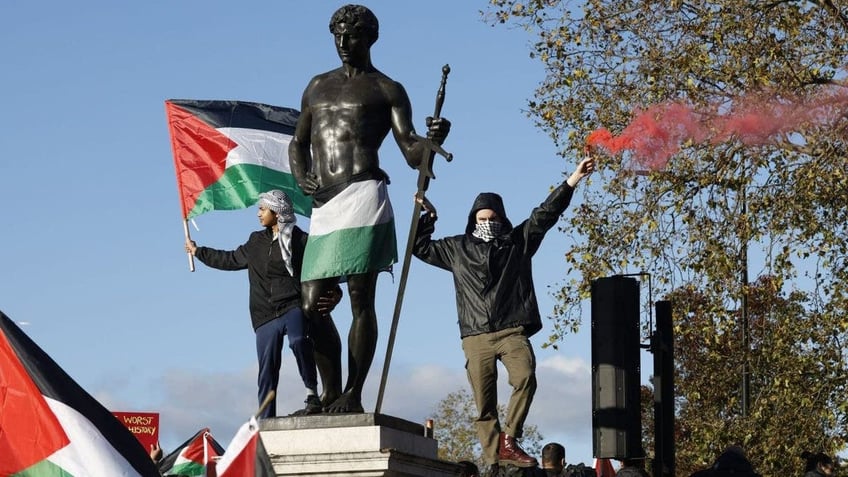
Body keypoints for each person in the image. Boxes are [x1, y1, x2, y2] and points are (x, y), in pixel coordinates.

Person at [288, 4, 451, 413]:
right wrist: (299, 175)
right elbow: (298, 141)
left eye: (354, 36)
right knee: (311, 306)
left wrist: (433, 139)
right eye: (338, 36)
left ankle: (353, 393)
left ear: (371, 38)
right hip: (324, 203)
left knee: (361, 297)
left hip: (363, 195)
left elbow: (412, 151)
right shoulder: (316, 86)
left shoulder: (387, 88)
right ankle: (328, 391)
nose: (344, 44)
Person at [413, 155, 596, 472]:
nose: (489, 222)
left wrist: (573, 180)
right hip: (475, 335)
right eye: (483, 218)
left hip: (512, 329)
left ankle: (509, 439)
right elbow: (420, 247)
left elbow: (545, 214)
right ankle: (493, 461)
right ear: (473, 221)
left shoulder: (518, 242)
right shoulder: (456, 248)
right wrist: (427, 216)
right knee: (484, 405)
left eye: (494, 217)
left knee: (525, 376)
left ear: (503, 219)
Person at [186, 190, 341, 418]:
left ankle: (311, 393)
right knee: (267, 368)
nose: (258, 214)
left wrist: (335, 292)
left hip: (292, 305)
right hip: (264, 314)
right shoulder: (255, 241)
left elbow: (324, 271)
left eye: (262, 209)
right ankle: (266, 418)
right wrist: (199, 251)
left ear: (276, 213)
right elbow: (229, 259)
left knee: (299, 340)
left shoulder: (300, 241)